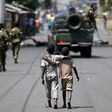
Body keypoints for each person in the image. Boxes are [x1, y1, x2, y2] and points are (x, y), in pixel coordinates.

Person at [41, 44, 59, 109]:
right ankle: (55, 103)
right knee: (55, 89)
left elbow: (43, 68)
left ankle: (49, 102)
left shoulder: (44, 58)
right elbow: (62, 58)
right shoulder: (56, 57)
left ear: (47, 50)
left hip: (47, 76)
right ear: (54, 50)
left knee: (48, 90)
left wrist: (42, 77)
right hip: (55, 75)